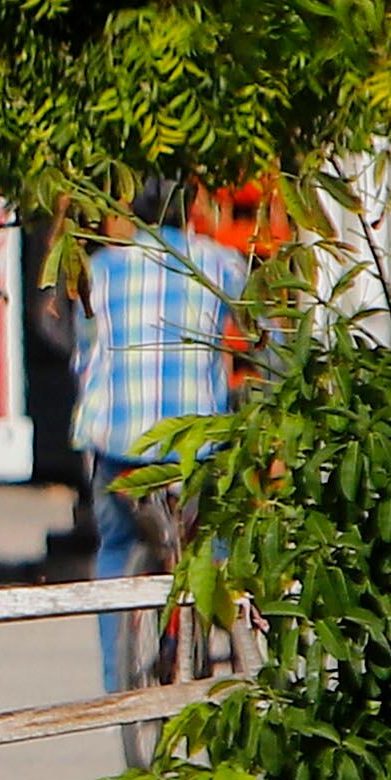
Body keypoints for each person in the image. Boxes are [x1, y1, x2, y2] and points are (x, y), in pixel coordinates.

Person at [67, 186, 246, 693]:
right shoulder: (221, 264)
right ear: (189, 211)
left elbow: (83, 351)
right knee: (217, 541)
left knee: (117, 547)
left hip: (118, 444)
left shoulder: (100, 270)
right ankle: (231, 657)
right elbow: (263, 336)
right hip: (195, 446)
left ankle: (116, 687)